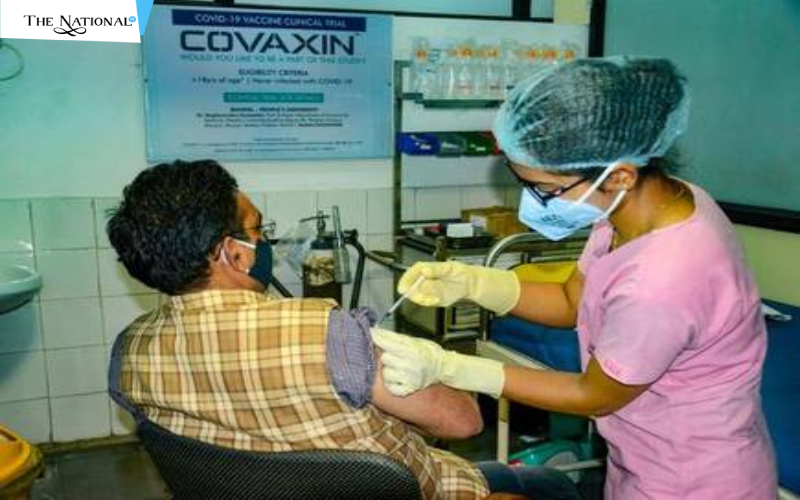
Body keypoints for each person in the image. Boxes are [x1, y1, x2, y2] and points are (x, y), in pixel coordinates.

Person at [372, 56, 777, 499]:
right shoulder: (637, 209)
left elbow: (592, 395)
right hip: (643, 456)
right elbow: (572, 301)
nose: (535, 202)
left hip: (693, 479)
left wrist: (451, 367)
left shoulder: (663, 279)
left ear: (619, 175)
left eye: (547, 190)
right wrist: (475, 284)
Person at [105, 160, 579, 500]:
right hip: (419, 489)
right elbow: (462, 422)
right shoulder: (326, 331)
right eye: (257, 230)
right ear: (234, 253)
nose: (264, 241)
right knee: (553, 485)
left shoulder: (130, 352)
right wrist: (439, 365)